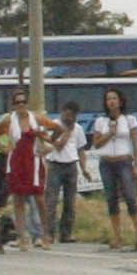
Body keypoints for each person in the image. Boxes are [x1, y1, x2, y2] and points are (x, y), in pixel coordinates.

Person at [89, 87, 137, 247]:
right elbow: (96, 144)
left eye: (114, 98)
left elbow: (135, 142)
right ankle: (117, 236)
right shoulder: (101, 121)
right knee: (111, 198)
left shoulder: (129, 119)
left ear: (120, 101)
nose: (111, 102)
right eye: (108, 99)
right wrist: (110, 134)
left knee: (130, 196)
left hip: (124, 160)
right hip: (107, 162)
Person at [0, 101, 52, 248]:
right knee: (18, 200)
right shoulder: (8, 120)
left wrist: (48, 147)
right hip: (17, 163)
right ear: (13, 105)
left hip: (34, 163)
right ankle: (23, 237)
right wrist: (4, 149)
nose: (20, 105)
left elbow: (55, 132)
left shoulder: (37, 119)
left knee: (39, 200)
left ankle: (45, 235)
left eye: (23, 102)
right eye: (17, 102)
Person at [48, 96, 88, 241]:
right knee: (51, 200)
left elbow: (81, 149)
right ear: (63, 112)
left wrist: (84, 168)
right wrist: (67, 132)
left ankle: (66, 233)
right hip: (55, 164)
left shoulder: (79, 129)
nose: (70, 118)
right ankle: (49, 233)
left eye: (73, 115)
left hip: (71, 164)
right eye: (67, 114)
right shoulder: (54, 125)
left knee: (70, 201)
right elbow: (57, 145)